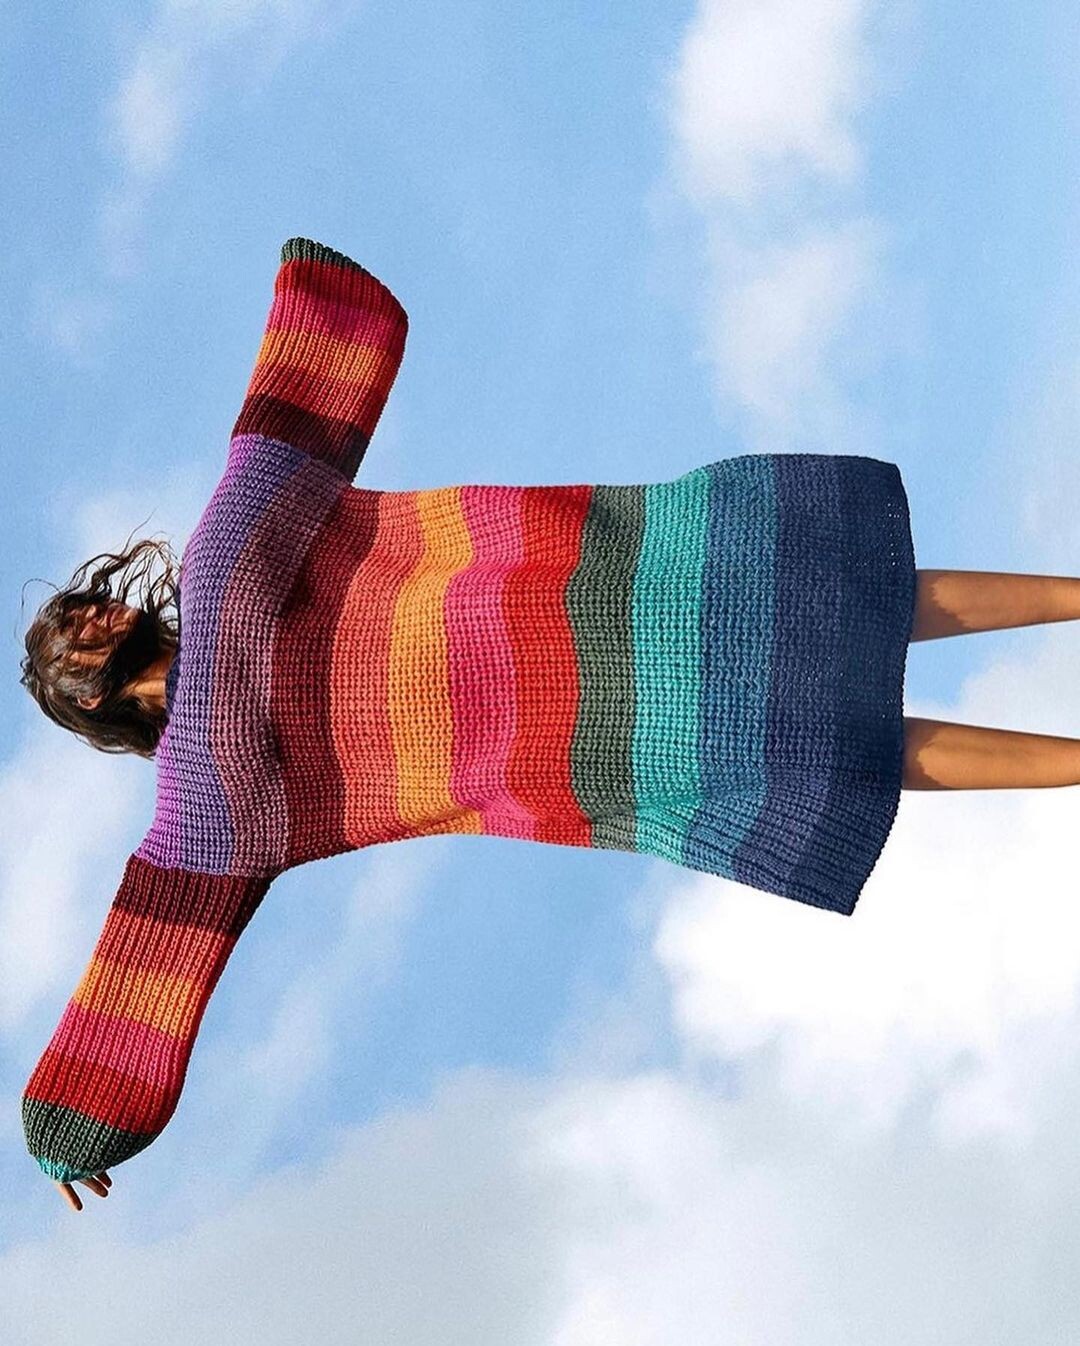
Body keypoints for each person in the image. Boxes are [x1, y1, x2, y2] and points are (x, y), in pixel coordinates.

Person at [18, 238, 1080, 1214]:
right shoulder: (207, 805)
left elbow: (291, 418)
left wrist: (314, 295)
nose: (90, 616)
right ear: (85, 701)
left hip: (573, 589)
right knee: (840, 751)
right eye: (71, 638)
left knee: (844, 594)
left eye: (78, 606)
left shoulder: (221, 571)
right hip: (580, 737)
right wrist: (74, 1122)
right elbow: (154, 950)